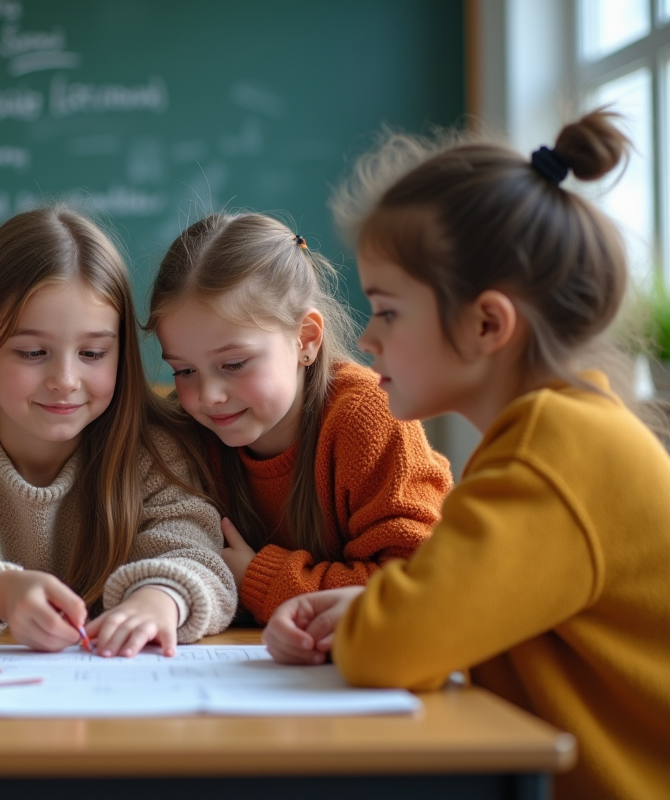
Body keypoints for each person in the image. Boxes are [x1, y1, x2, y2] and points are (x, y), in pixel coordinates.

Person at [263, 110, 670, 800]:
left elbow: (397, 647)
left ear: (487, 323)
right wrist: (364, 605)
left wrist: (367, 620)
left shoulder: (552, 455)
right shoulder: (554, 433)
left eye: (388, 310)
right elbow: (455, 608)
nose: (367, 339)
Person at [0, 206, 236, 657]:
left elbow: (196, 553)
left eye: (92, 353)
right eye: (32, 352)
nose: (65, 379)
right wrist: (2, 590)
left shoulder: (151, 444)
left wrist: (160, 600)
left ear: (121, 352)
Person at [149, 212, 451, 622]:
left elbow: (418, 588)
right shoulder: (183, 436)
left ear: (305, 339)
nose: (209, 396)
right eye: (183, 371)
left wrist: (259, 578)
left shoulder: (369, 416)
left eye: (234, 363)